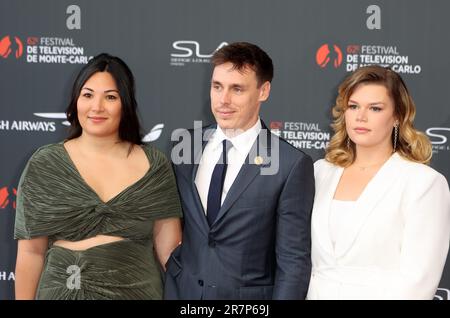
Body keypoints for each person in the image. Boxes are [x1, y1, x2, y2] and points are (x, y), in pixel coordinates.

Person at [14, 53, 182, 300]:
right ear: (76, 100)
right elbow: (31, 253)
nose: (97, 107)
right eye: (88, 95)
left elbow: (170, 252)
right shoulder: (45, 163)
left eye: (110, 97)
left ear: (125, 103)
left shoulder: (154, 165)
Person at [164, 42, 315, 300]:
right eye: (217, 87)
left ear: (263, 91)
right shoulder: (185, 148)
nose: (223, 100)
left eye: (237, 89)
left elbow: (293, 263)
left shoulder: (290, 164)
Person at [307, 65, 450, 300]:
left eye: (375, 108)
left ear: (397, 116)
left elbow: (418, 283)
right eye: (353, 106)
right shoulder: (320, 172)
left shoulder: (423, 183)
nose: (360, 116)